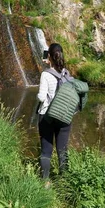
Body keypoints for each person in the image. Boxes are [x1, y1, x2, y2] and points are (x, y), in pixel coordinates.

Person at [37, 43, 72, 182]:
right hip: (64, 116)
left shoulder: (45, 74)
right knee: (62, 150)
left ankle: (45, 182)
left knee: (46, 150)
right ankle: (64, 181)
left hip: (47, 116)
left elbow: (41, 97)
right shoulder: (66, 73)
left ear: (49, 57)